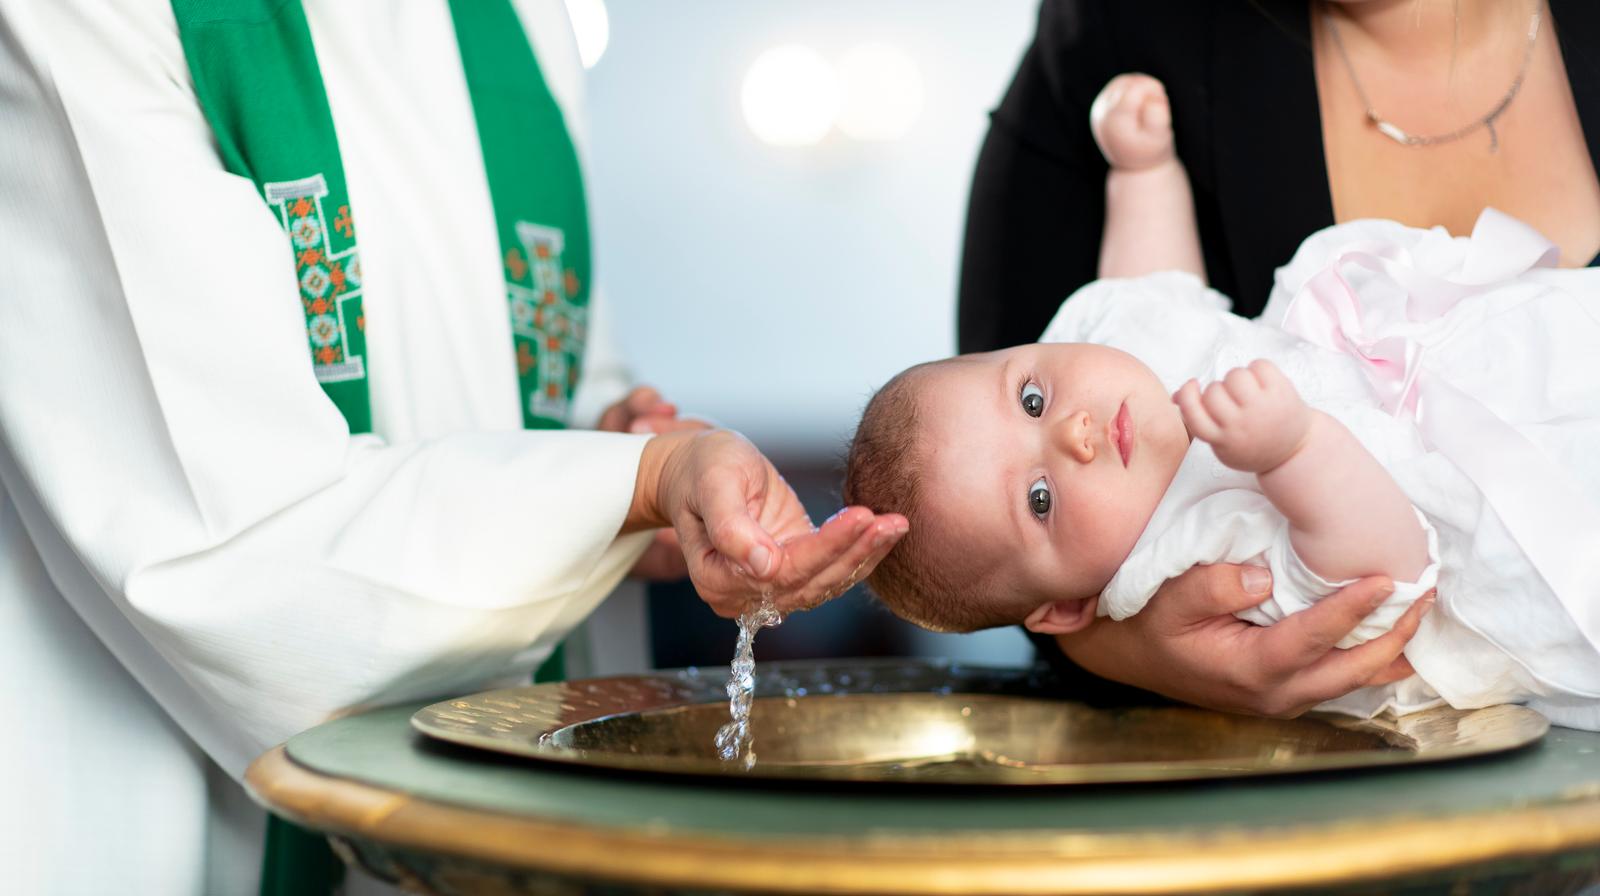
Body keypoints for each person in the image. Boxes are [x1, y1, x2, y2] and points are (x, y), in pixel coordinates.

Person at [0, 2, 906, 894]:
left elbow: (556, 366)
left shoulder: (529, 17)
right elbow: (217, 537)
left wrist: (631, 480)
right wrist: (626, 486)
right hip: (178, 795)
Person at [955, 0, 1600, 715]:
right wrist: (1293, 453)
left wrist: (1142, 175)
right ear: (1067, 607)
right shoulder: (1188, 545)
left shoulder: (1109, 377)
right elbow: (1380, 580)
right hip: (1511, 537)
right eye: (1040, 498)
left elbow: (1154, 299)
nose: (1072, 432)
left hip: (1521, 358)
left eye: (1033, 402)